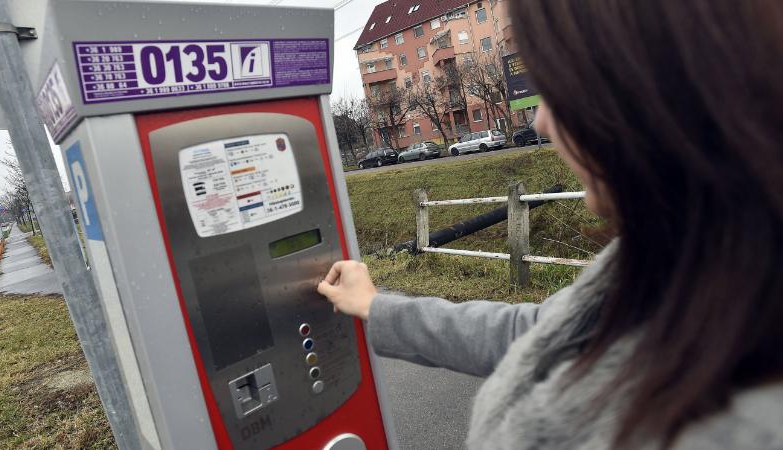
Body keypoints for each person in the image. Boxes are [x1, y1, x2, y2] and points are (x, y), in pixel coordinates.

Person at [317, 0, 783, 448]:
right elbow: (540, 333)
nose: (540, 122)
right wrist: (378, 308)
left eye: (557, 87)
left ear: (646, 91)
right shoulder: (684, 263)